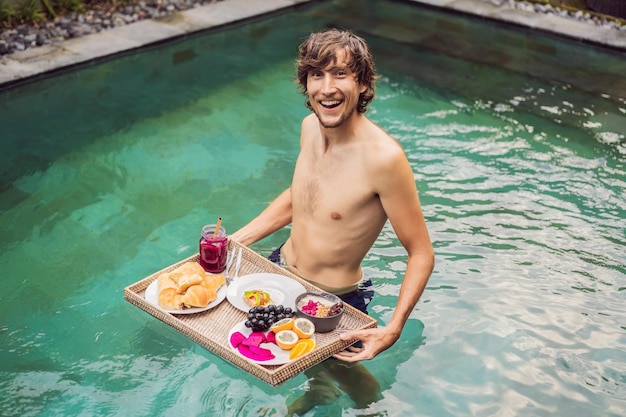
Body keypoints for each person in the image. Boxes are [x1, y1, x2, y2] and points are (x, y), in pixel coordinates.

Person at [231, 28, 434, 413]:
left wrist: (392, 329)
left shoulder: (384, 159)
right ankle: (320, 394)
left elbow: (421, 252)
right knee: (281, 354)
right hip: (278, 273)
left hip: (331, 302)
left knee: (357, 385)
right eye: (317, 75)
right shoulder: (310, 128)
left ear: (362, 83)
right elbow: (302, 198)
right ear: (305, 83)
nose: (328, 88)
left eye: (341, 74)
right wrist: (237, 239)